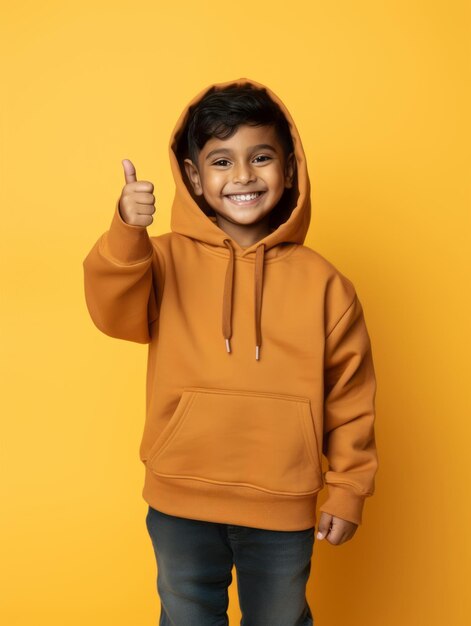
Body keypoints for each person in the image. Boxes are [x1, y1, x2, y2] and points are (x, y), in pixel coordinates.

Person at [82, 77, 379, 626]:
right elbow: (113, 315)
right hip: (180, 496)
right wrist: (128, 231)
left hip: (283, 498)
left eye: (260, 157)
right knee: (186, 615)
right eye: (221, 161)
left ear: (289, 169)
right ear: (193, 177)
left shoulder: (325, 285)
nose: (242, 176)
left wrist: (348, 489)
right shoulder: (163, 260)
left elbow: (351, 395)